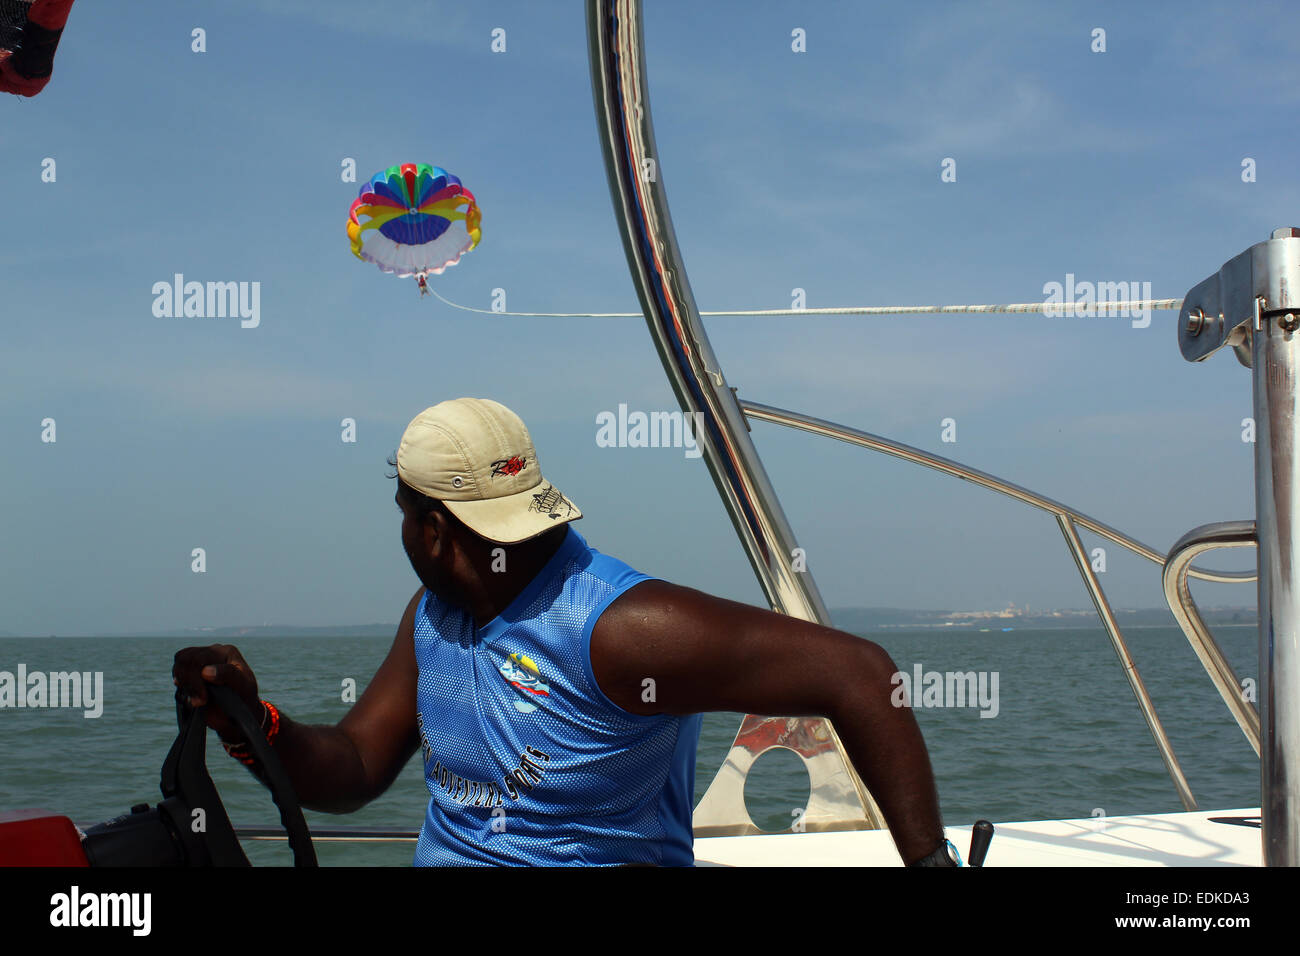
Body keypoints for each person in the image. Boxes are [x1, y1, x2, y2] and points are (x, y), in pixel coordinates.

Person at [173, 397, 956, 866]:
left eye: (404, 517)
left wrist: (929, 863)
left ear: (435, 529)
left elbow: (859, 675)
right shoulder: (434, 620)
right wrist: (251, 718)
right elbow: (351, 771)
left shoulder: (623, 629)